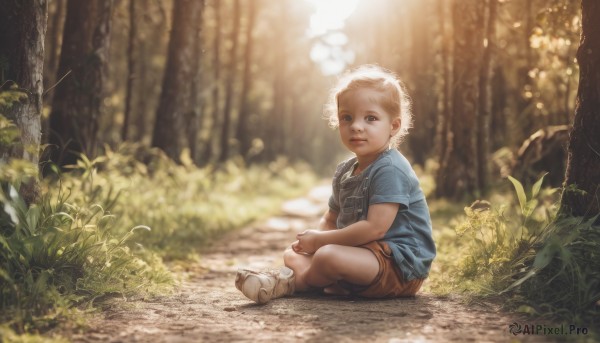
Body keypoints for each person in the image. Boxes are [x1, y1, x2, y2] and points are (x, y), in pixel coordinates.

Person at [235, 64, 436, 304]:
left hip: (398, 267)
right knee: (294, 253)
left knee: (327, 257)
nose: (356, 126)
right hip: (362, 257)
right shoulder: (345, 171)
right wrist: (315, 243)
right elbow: (331, 220)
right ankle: (331, 282)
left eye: (370, 118)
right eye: (346, 117)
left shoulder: (390, 169)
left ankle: (285, 283)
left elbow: (375, 229)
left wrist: (320, 243)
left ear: (393, 126)